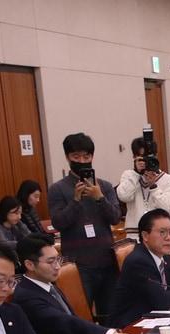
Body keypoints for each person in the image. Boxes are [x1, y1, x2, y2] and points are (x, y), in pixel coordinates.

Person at [12, 235, 138, 334]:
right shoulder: (26, 295)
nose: (57, 266)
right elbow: (64, 320)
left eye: (58, 259)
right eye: (51, 262)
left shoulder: (48, 284)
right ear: (30, 265)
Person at [48, 132, 122, 319]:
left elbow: (115, 217)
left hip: (106, 259)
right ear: (67, 157)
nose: (82, 160)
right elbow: (59, 222)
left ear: (92, 157)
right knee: (81, 314)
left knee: (110, 314)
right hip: (77, 264)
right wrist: (75, 200)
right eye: (76, 156)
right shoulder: (58, 189)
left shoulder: (104, 186)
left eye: (86, 156)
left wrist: (100, 198)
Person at [107, 209, 170, 328]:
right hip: (130, 328)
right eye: (162, 232)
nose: (168, 238)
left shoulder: (165, 256)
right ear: (145, 236)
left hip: (154, 319)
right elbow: (162, 301)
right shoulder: (139, 261)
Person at [117, 137, 170, 235]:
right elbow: (124, 196)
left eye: (148, 157)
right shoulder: (129, 175)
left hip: (160, 234)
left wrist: (153, 186)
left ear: (155, 156)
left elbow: (167, 209)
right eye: (142, 157)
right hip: (135, 234)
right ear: (134, 157)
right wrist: (136, 173)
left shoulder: (168, 179)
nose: (145, 161)